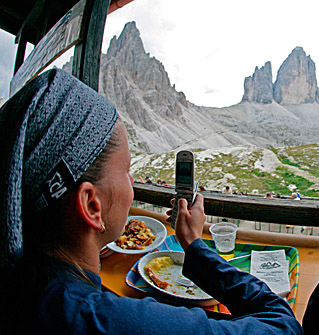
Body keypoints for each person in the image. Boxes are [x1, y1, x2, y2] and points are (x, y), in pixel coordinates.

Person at [0, 70, 302, 335]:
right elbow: (284, 327)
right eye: (127, 171)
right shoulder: (105, 320)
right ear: (92, 206)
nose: (132, 183)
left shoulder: (23, 283)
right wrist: (195, 246)